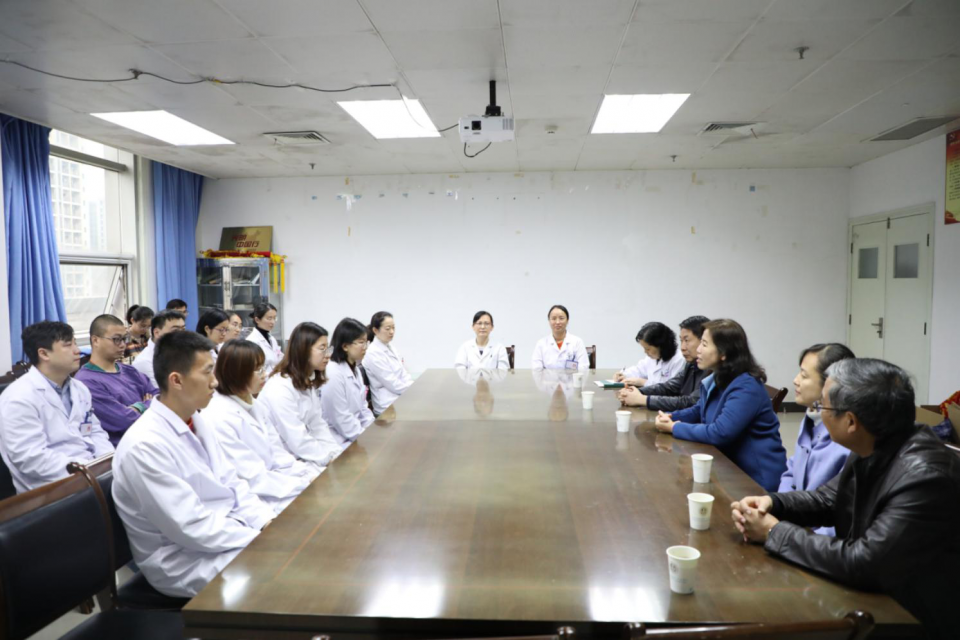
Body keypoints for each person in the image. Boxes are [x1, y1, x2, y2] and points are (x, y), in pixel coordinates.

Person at [731, 359, 960, 639]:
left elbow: (865, 562)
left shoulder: (925, 477)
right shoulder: (876, 441)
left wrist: (772, 532)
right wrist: (773, 503)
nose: (817, 411)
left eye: (822, 406)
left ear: (851, 421)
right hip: (876, 597)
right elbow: (828, 500)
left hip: (912, 619)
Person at [112, 331, 275, 598]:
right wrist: (260, 539)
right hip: (182, 560)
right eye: (208, 372)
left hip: (222, 536)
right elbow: (191, 527)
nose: (215, 382)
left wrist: (265, 521)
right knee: (282, 571)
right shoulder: (144, 446)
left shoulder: (197, 420)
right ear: (176, 380)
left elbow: (232, 483)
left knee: (292, 551)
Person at [654, 319, 786, 491]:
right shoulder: (720, 377)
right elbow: (699, 409)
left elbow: (720, 433)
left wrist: (674, 427)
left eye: (704, 344)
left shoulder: (746, 387)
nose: (698, 349)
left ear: (724, 353)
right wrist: (671, 417)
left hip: (754, 479)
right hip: (727, 468)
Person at [0, 321, 113, 493]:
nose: (77, 350)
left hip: (92, 474)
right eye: (68, 345)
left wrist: (109, 462)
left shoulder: (79, 389)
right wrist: (88, 469)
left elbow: (95, 432)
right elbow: (31, 458)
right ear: (44, 353)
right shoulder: (18, 397)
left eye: (75, 343)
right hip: (51, 489)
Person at [204, 340, 315, 514]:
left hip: (277, 484)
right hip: (255, 498)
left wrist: (307, 474)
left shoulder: (254, 404)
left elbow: (277, 454)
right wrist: (301, 483)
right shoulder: (218, 415)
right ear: (236, 372)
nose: (265, 375)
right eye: (258, 370)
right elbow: (252, 476)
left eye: (263, 368)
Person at [777, 343, 855, 536]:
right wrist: (782, 508)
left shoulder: (848, 439)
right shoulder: (812, 417)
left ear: (830, 385)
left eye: (804, 376)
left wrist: (794, 536)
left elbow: (840, 521)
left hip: (817, 540)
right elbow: (791, 471)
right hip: (797, 524)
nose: (795, 381)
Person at [259, 322, 341, 469]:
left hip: (302, 455)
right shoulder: (280, 387)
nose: (328, 355)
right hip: (283, 460)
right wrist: (327, 459)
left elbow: (317, 424)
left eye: (328, 348)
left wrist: (336, 453)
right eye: (322, 349)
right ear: (303, 350)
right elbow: (296, 438)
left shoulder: (307, 380)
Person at [76, 314, 159, 445]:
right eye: (116, 339)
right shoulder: (86, 382)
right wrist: (145, 404)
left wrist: (137, 408)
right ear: (95, 340)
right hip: (123, 447)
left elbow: (161, 399)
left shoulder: (130, 371)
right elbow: (124, 420)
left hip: (152, 438)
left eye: (124, 339)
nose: (123, 345)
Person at [618, 316, 709, 411]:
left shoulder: (711, 370)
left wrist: (643, 399)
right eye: (681, 341)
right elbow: (669, 387)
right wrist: (635, 391)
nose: (682, 347)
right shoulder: (691, 364)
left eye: (686, 340)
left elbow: (690, 402)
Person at [322, 318, 375, 445]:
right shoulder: (333, 372)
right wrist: (366, 439)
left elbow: (363, 408)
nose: (365, 347)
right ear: (345, 346)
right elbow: (341, 418)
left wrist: (373, 431)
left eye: (366, 342)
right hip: (338, 439)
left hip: (354, 433)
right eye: (361, 342)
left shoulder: (355, 369)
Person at [363, 311, 414, 415]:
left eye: (393, 328)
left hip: (399, 398)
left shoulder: (390, 347)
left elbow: (403, 374)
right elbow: (392, 383)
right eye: (387, 328)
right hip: (387, 406)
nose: (392, 332)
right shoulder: (373, 353)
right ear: (375, 330)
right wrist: (413, 391)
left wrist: (413, 387)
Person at [614, 321, 686, 386]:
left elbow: (671, 388)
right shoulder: (652, 358)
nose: (645, 352)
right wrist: (624, 374)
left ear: (661, 346)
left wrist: (644, 382)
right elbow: (638, 370)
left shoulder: (679, 360)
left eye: (647, 349)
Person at [133, 310, 186, 388]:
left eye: (183, 329)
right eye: (175, 330)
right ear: (157, 333)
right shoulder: (145, 361)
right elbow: (163, 393)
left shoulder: (182, 353)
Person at [531, 305, 588, 371]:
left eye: (561, 318)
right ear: (549, 321)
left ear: (567, 320)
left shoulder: (577, 342)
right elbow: (536, 369)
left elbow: (583, 367)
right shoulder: (541, 344)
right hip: (548, 378)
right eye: (554, 318)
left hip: (572, 378)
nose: (557, 322)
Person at [246, 302, 283, 376]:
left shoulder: (272, 339)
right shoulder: (252, 341)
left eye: (274, 318)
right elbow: (253, 370)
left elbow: (280, 359)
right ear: (257, 320)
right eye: (269, 318)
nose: (273, 322)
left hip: (274, 379)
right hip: (263, 380)